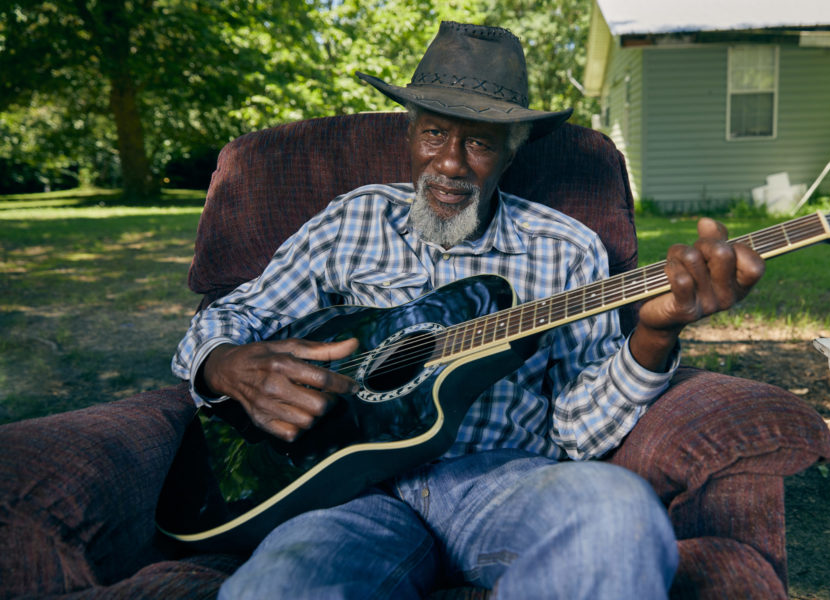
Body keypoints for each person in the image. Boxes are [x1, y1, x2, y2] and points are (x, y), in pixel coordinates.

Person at [172, 21, 764, 599]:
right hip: (345, 492)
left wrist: (654, 335)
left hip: (499, 481)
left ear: (512, 152)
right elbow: (231, 316)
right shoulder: (349, 220)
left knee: (620, 515)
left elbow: (577, 429)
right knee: (282, 585)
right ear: (409, 136)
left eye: (479, 142)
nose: (451, 163)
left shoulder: (566, 247)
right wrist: (224, 363)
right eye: (434, 134)